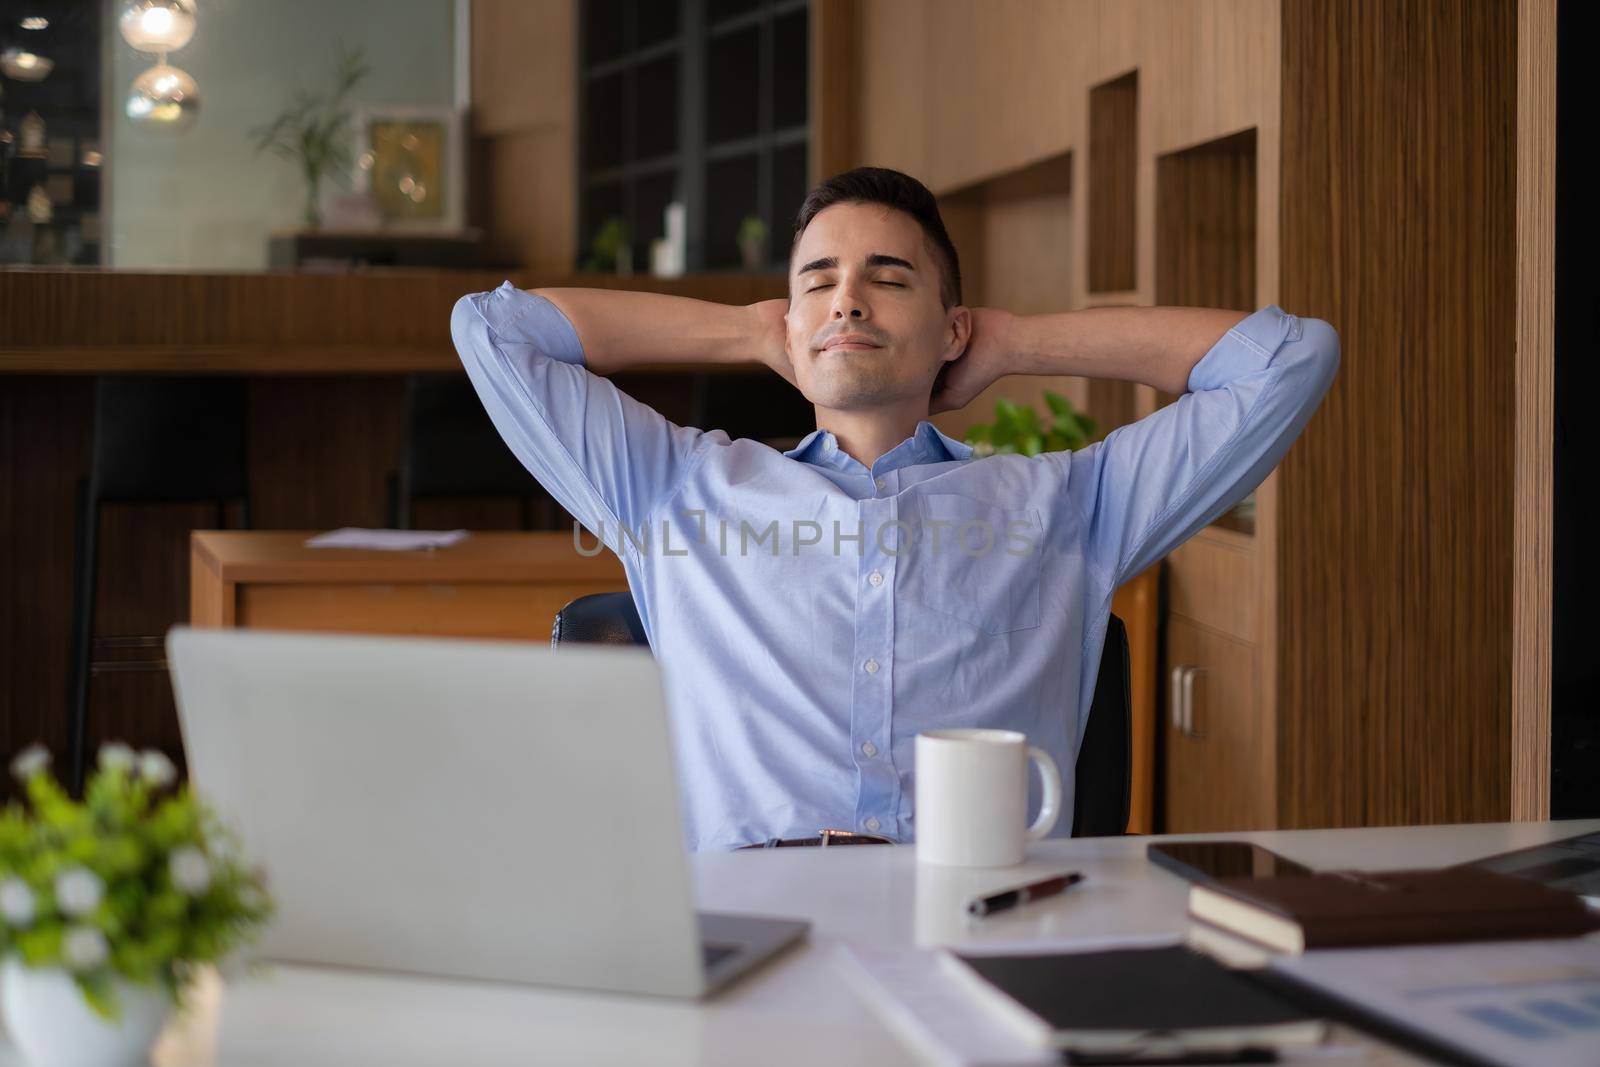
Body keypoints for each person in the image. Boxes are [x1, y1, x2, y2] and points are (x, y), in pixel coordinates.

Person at [450, 166, 1339, 851]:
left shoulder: (1071, 502)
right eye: (819, 280)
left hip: (981, 925)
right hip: (752, 937)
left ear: (952, 328)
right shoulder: (675, 488)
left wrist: (1019, 343)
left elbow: (1290, 358)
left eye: (889, 277)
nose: (848, 298)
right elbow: (492, 331)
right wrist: (750, 329)